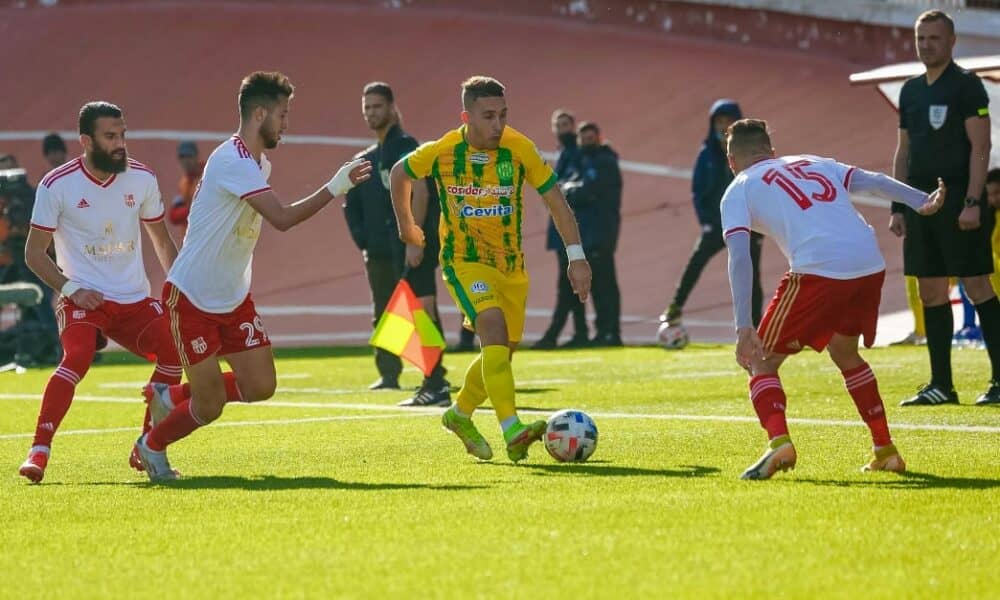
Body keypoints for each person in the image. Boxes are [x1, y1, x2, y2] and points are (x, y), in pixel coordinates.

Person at [133, 72, 371, 481]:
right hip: (192, 296)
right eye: (282, 114)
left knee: (261, 386)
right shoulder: (233, 160)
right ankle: (151, 446)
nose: (285, 124)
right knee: (208, 406)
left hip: (233, 295)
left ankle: (168, 397)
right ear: (259, 113)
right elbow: (281, 219)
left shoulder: (259, 161)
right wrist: (336, 185)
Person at [721, 118, 946, 479]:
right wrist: (921, 200)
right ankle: (885, 449)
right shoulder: (813, 161)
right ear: (772, 151)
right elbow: (873, 181)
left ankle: (779, 444)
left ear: (731, 161)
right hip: (868, 263)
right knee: (845, 352)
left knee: (759, 359)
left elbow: (739, 256)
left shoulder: (738, 188)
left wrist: (743, 326)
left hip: (819, 268)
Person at [389, 76, 592, 462]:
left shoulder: (519, 149)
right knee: (493, 332)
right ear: (467, 116)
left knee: (499, 355)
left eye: (502, 115)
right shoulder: (444, 150)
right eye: (488, 116)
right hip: (464, 263)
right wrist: (407, 226)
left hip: (512, 269)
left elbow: (556, 201)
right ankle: (512, 429)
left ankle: (459, 414)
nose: (498, 125)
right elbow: (401, 173)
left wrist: (577, 257)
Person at [18, 101, 183, 483]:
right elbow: (32, 254)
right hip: (82, 299)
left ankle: (148, 445)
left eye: (123, 134)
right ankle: (39, 450)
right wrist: (72, 288)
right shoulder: (56, 185)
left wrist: (178, 289)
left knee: (174, 351)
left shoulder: (141, 178)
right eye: (111, 136)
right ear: (85, 141)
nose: (120, 143)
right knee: (76, 357)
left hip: (134, 300)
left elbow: (161, 241)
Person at [890, 10, 997, 407]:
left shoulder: (967, 87)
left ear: (951, 42)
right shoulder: (911, 90)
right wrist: (899, 204)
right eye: (921, 38)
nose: (926, 45)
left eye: (934, 38)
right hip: (921, 202)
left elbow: (980, 148)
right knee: (930, 290)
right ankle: (941, 385)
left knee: (976, 285)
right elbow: (904, 150)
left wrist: (972, 201)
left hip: (958, 199)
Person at [345, 81, 450, 405]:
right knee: (402, 313)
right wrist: (366, 239)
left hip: (409, 243)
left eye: (377, 106)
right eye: (367, 108)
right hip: (385, 248)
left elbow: (420, 190)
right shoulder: (371, 156)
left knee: (420, 309)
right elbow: (352, 207)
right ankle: (428, 381)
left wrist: (414, 237)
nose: (372, 113)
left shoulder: (405, 145)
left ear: (391, 107)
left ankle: (436, 383)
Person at [663, 99, 764, 329]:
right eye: (718, 121)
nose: (722, 125)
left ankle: (757, 327)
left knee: (750, 276)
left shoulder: (751, 151)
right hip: (717, 223)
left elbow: (761, 186)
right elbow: (698, 190)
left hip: (747, 225)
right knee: (695, 263)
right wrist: (706, 222)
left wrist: (758, 223)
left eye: (727, 120)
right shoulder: (706, 152)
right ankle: (674, 308)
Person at [563, 121, 623, 346]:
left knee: (606, 284)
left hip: (601, 231)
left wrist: (568, 190)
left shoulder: (604, 162)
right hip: (590, 232)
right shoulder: (584, 161)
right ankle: (603, 331)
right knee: (597, 285)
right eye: (583, 139)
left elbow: (588, 191)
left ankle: (611, 332)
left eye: (590, 138)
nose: (586, 143)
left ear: (598, 138)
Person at [533, 109, 588, 349]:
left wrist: (557, 190)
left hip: (569, 229)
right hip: (560, 229)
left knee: (566, 283)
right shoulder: (565, 153)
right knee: (569, 284)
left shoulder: (576, 153)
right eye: (558, 125)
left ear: (573, 126)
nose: (562, 129)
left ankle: (553, 334)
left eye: (566, 124)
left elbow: (569, 187)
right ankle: (581, 332)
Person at [167, 140, 203, 238]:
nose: (186, 161)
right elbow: (173, 215)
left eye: (189, 156)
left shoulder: (207, 177)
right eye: (182, 157)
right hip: (190, 239)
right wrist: (191, 210)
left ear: (196, 156)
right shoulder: (184, 183)